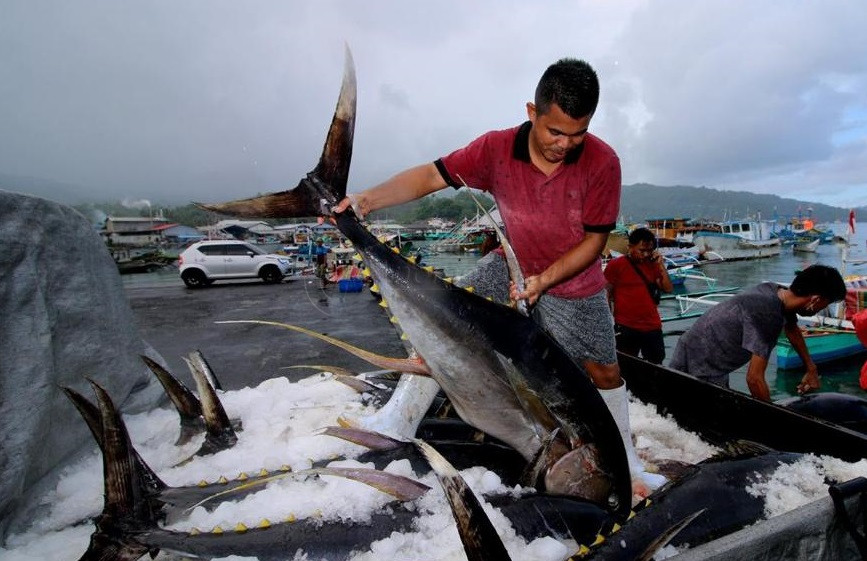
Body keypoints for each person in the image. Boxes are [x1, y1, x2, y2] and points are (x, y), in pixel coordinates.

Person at [335, 57, 665, 493]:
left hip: (573, 282)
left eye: (578, 134)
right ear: (532, 112)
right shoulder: (495, 149)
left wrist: (544, 281)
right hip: (510, 263)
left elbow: (594, 243)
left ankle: (626, 461)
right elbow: (431, 176)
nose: (565, 145)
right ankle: (398, 420)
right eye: (555, 132)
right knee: (443, 322)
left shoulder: (603, 162)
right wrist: (367, 200)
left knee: (604, 370)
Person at [669, 264, 847, 401]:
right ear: (815, 300)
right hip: (703, 366)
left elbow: (792, 328)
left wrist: (811, 367)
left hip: (693, 346)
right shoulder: (768, 315)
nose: (824, 308)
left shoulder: (775, 291)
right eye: (827, 303)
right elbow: (754, 379)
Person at [604, 227, 673, 364]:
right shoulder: (616, 265)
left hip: (652, 325)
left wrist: (661, 265)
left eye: (650, 250)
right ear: (630, 247)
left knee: (656, 363)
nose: (646, 254)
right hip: (626, 326)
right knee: (625, 364)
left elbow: (668, 288)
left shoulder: (653, 265)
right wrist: (608, 322)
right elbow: (606, 293)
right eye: (642, 250)